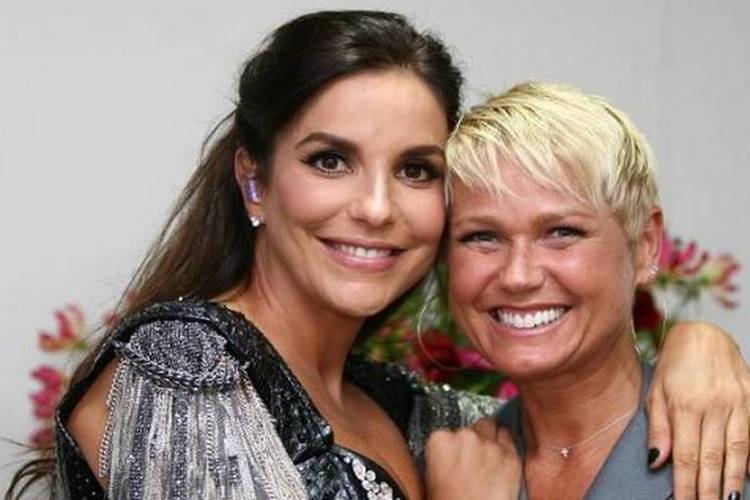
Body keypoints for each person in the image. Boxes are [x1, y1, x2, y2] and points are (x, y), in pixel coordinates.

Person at [7, 11, 750, 500]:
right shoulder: (181, 369)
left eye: (416, 170)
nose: (375, 207)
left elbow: (575, 398)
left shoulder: (416, 412)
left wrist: (698, 345)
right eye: (330, 160)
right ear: (255, 180)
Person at [427, 81, 749, 499]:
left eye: (562, 232)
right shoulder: (441, 470)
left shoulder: (731, 444)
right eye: (482, 237)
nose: (518, 276)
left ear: (645, 244)